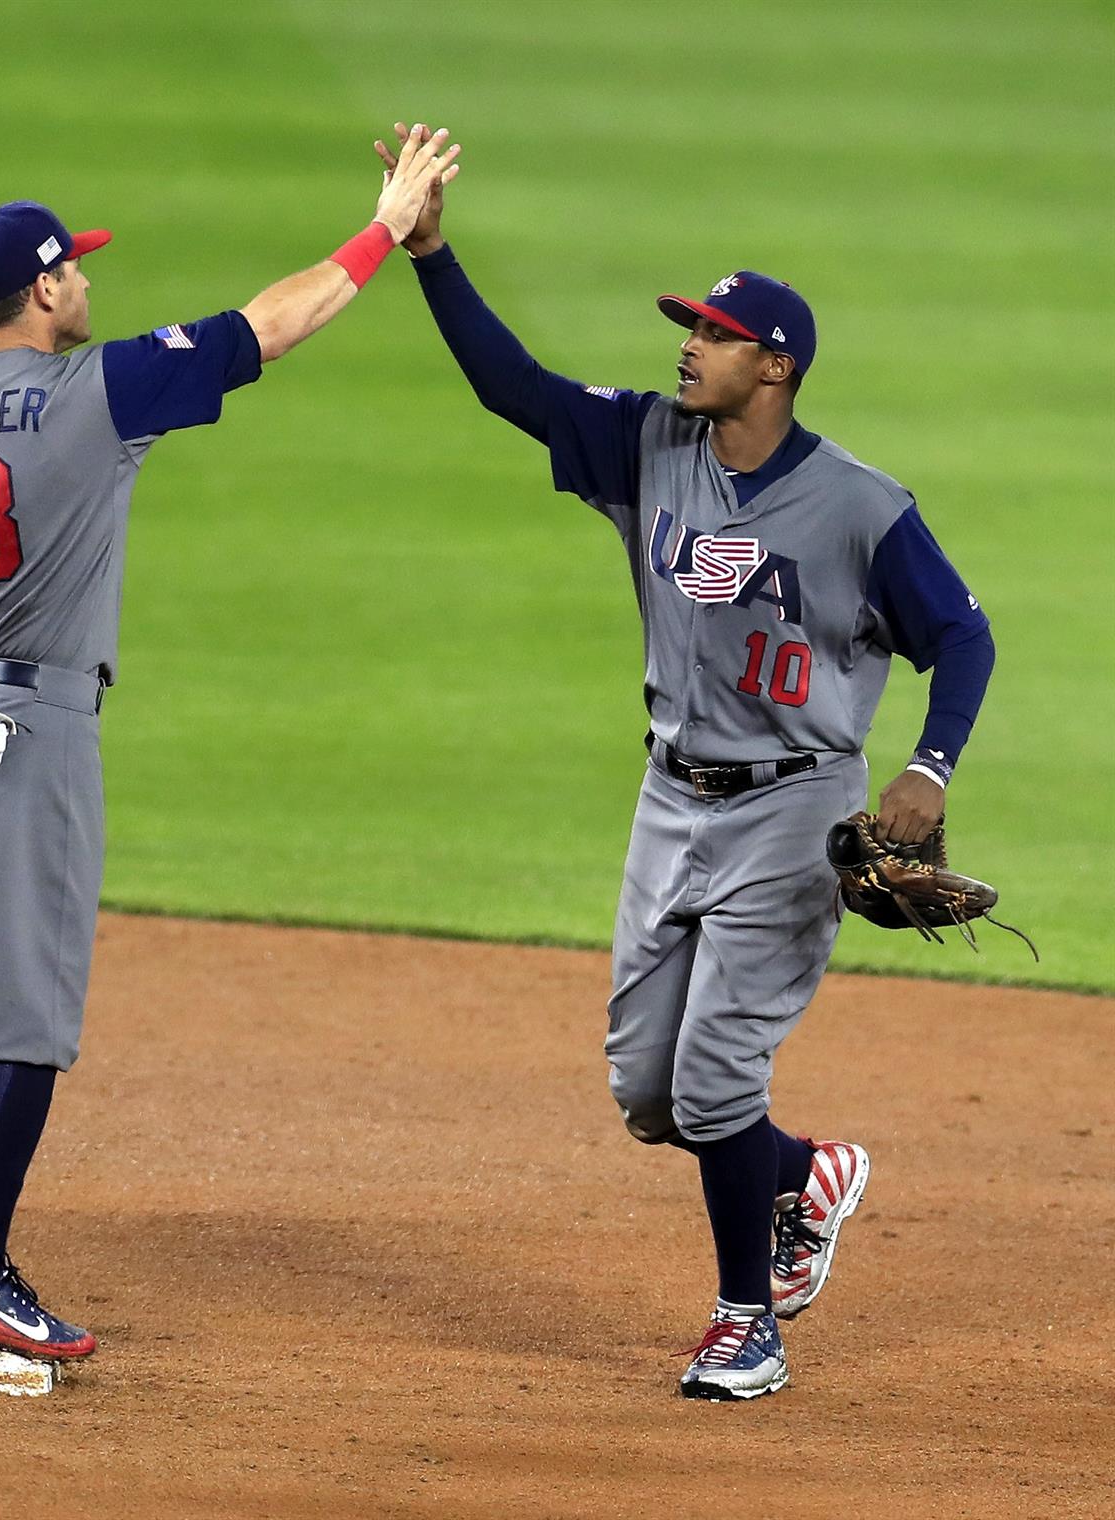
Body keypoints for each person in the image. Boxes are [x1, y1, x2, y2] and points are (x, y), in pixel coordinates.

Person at [376, 125, 994, 1399]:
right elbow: (518, 389)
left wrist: (927, 770)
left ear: (777, 365)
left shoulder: (866, 510)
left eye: (713, 334)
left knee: (717, 1075)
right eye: (690, 329)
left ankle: (743, 1319)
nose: (688, 346)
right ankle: (807, 1169)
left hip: (798, 810)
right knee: (650, 1094)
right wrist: (429, 256)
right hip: (672, 798)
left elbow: (964, 637)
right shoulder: (648, 442)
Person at [0, 125, 459, 1360]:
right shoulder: (99, 387)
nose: (89, 285)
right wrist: (388, 225)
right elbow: (273, 322)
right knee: (25, 1011)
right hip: (27, 728)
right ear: (47, 287)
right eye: (77, 270)